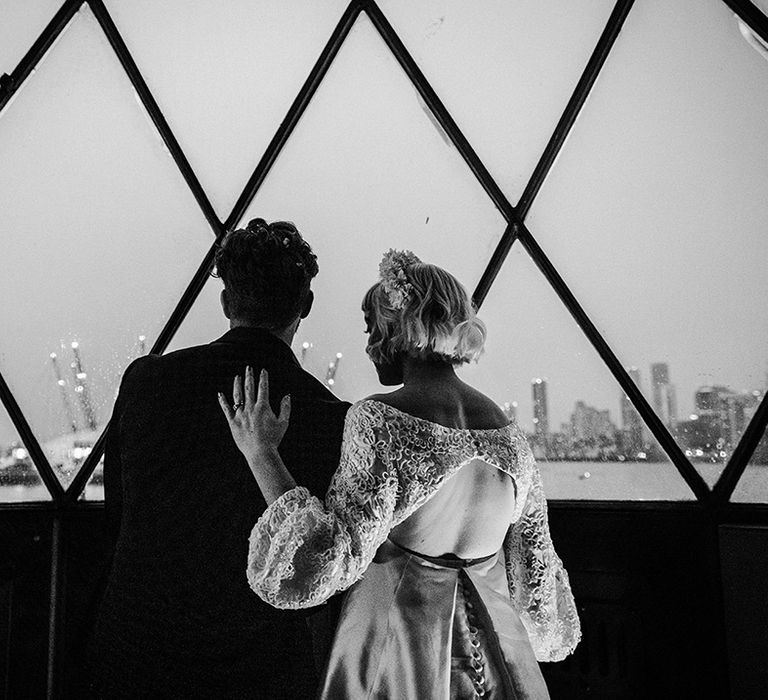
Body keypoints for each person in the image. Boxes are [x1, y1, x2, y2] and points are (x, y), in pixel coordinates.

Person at [219, 250, 581, 699]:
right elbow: (538, 590)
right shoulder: (510, 437)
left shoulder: (381, 420)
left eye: (372, 328)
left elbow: (329, 560)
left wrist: (262, 452)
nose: (369, 345)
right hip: (498, 657)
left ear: (399, 330)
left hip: (397, 651)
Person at [88, 219, 350, 699]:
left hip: (136, 653)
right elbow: (319, 567)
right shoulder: (331, 417)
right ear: (305, 305)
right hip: (261, 669)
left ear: (227, 302)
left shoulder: (149, 381)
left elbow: (118, 511)